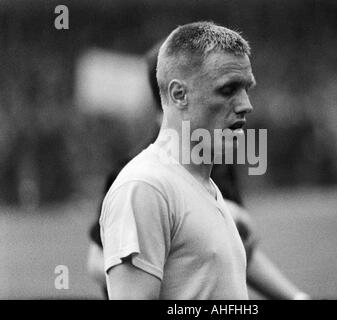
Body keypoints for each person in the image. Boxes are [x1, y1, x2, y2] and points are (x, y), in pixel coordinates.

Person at [95, 22, 309, 299]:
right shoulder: (144, 187)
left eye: (247, 88)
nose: (246, 104)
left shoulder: (203, 186)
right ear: (178, 95)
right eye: (228, 89)